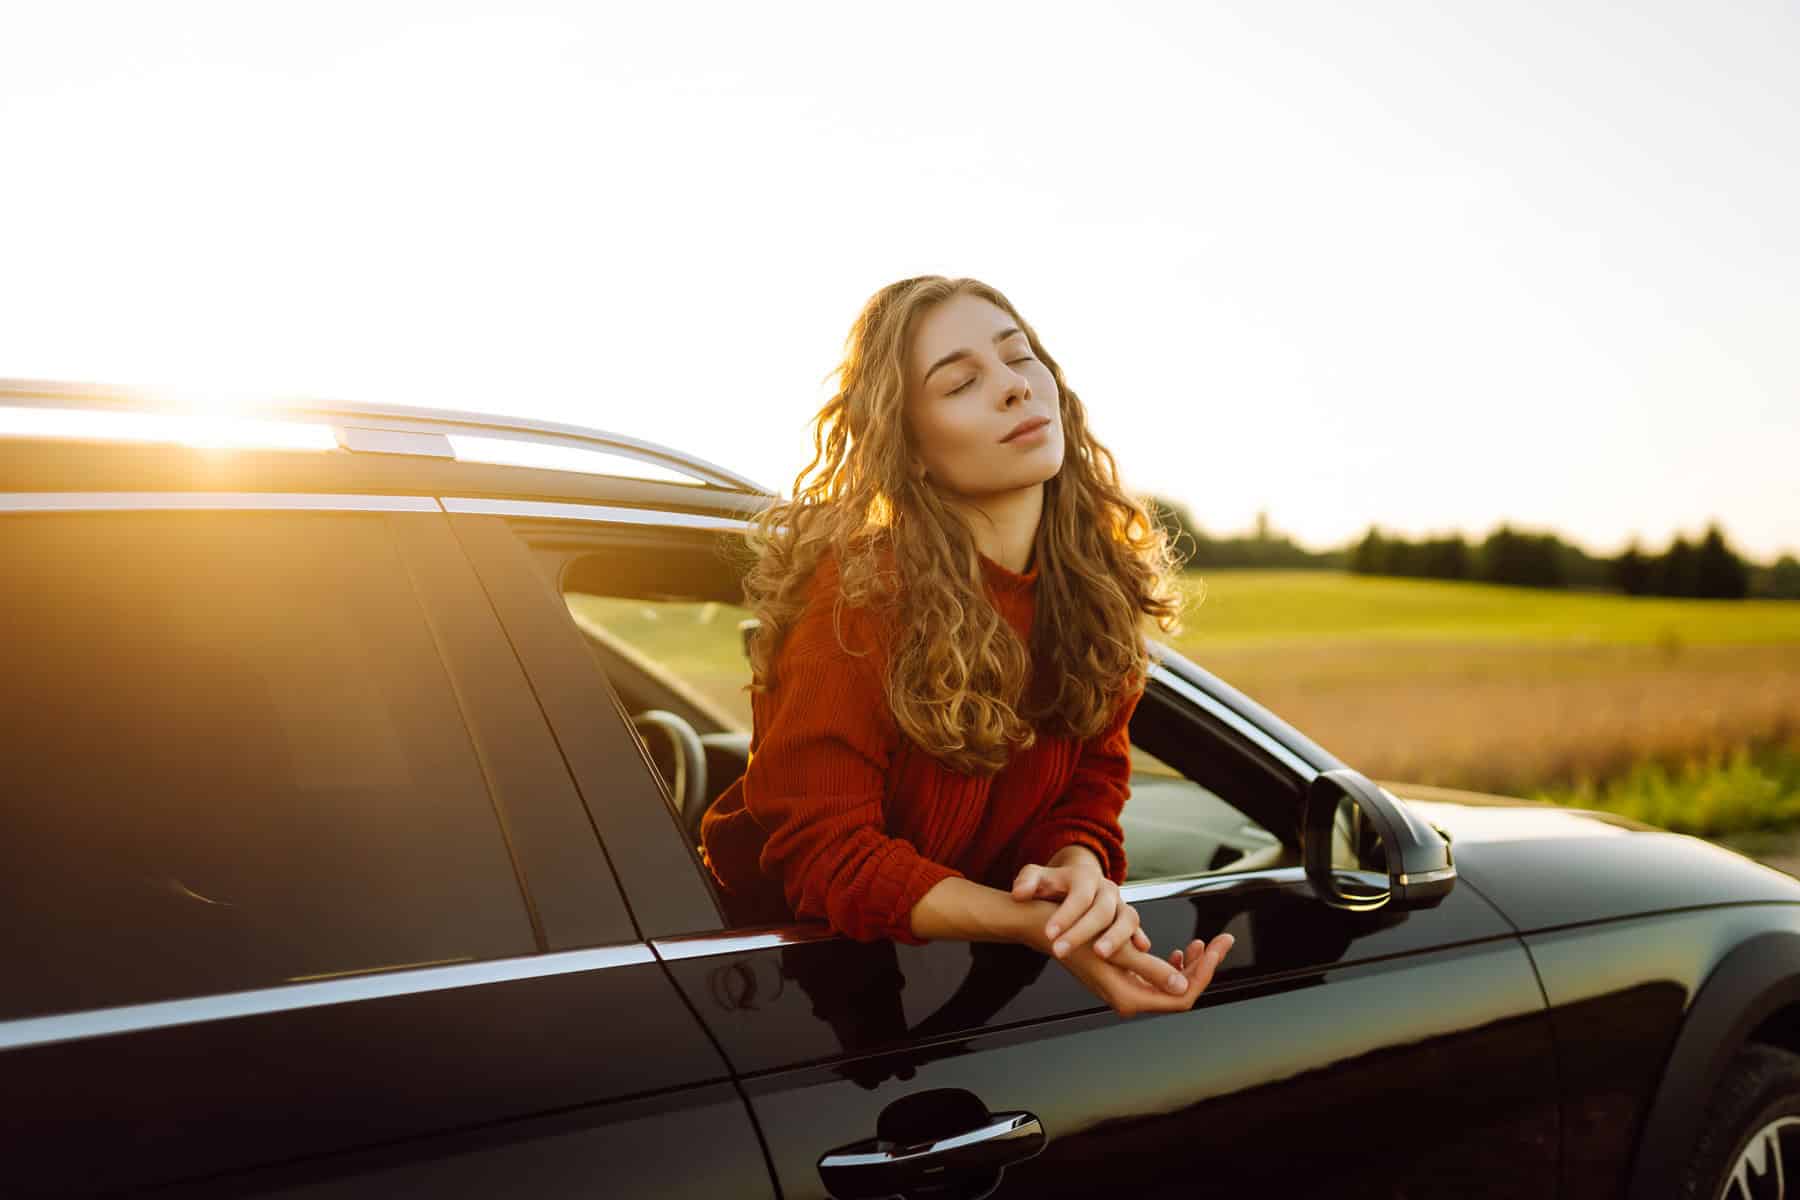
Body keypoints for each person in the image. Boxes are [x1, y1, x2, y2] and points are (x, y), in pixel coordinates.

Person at [699, 275, 1235, 1017]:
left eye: (1021, 358)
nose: (1014, 389)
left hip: (949, 993)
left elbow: (1088, 790)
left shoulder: (1090, 593)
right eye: (960, 383)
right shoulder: (859, 599)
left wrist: (1077, 880)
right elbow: (825, 855)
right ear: (909, 448)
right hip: (773, 1000)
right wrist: (1036, 925)